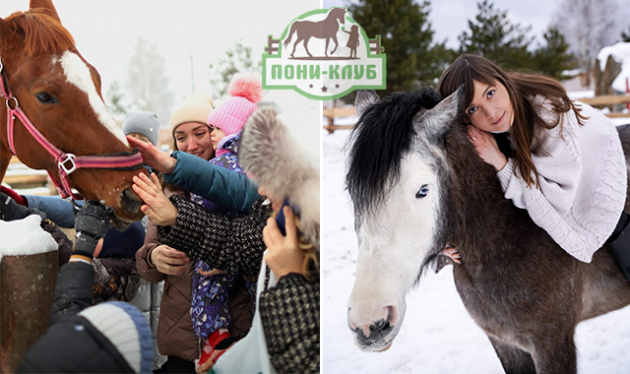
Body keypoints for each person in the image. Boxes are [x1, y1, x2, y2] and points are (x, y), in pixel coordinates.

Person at [129, 105, 320, 373]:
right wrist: (152, 256)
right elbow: (146, 264)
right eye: (181, 137)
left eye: (201, 132)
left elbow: (232, 199)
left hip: (235, 335)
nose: (192, 144)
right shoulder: (167, 188)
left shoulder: (266, 208)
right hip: (181, 338)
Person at [436, 54, 629, 277]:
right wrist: (441, 239)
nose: (490, 112)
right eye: (472, 109)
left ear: (502, 81)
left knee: (602, 209)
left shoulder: (549, 115)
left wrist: (500, 161)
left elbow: (555, 203)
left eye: (490, 93)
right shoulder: (479, 132)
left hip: (593, 146)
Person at [17, 201, 153, 374]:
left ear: (116, 245)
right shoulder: (122, 264)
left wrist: (44, 225)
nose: (78, 237)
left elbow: (75, 268)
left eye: (99, 237)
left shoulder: (118, 273)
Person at [187, 73, 263, 369]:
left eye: (215, 128)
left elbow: (202, 199)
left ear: (232, 129)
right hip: (252, 243)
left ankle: (215, 336)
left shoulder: (220, 164)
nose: (212, 134)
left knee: (208, 283)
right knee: (257, 286)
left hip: (217, 240)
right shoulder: (258, 162)